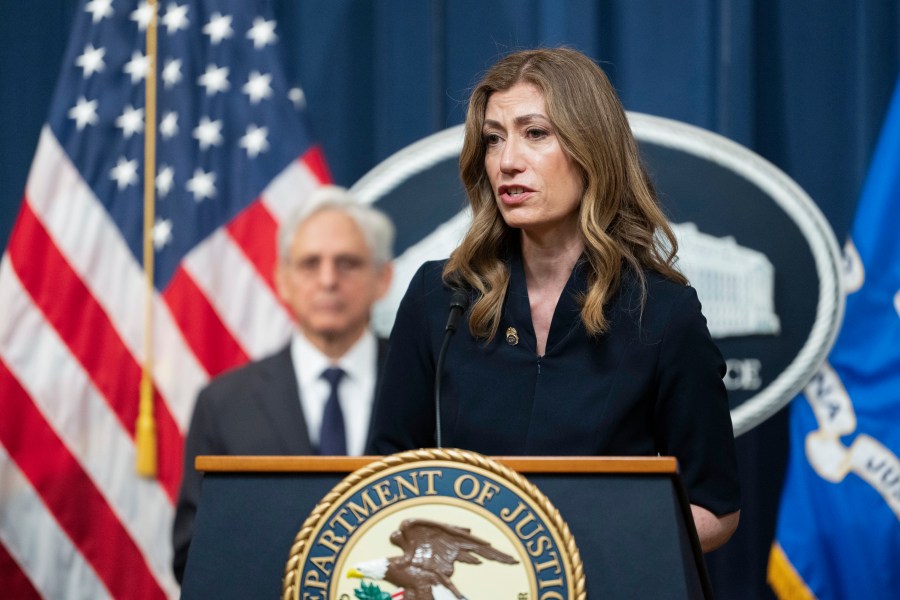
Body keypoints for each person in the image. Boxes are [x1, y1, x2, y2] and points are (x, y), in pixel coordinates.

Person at [368, 48, 740, 552]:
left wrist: (575, 553)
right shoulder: (441, 297)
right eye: (494, 139)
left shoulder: (662, 312)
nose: (507, 161)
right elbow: (381, 482)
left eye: (535, 133)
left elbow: (714, 508)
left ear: (592, 148)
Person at [172, 185, 395, 583]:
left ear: (383, 278)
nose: (328, 280)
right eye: (310, 264)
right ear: (283, 279)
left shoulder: (430, 385)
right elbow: (193, 556)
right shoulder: (224, 403)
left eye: (347, 263)